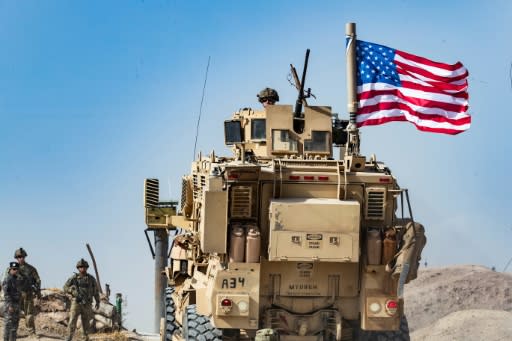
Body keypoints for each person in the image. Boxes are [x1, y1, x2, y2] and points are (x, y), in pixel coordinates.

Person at [4, 248, 41, 337]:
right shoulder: (11, 269)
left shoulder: (31, 269)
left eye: (22, 257)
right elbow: (6, 280)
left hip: (28, 294)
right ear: (16, 258)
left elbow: (37, 280)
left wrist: (37, 289)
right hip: (15, 295)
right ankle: (13, 333)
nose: (21, 258)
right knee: (13, 315)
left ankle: (31, 332)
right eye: (19, 257)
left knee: (29, 314)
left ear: (25, 257)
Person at [63, 259, 100, 341]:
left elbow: (96, 291)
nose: (83, 269)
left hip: (87, 303)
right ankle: (69, 338)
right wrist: (72, 291)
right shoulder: (74, 278)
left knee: (86, 323)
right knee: (72, 321)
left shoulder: (91, 279)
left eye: (84, 267)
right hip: (76, 303)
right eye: (81, 267)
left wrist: (98, 301)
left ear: (87, 268)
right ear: (78, 268)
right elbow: (65, 287)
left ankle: (85, 338)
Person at [2, 262, 21, 341]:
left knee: (15, 325)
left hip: (16, 304)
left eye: (16, 269)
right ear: (10, 269)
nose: (15, 271)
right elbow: (6, 293)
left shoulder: (16, 279)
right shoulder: (7, 279)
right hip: (10, 305)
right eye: (13, 269)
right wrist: (10, 305)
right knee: (8, 325)